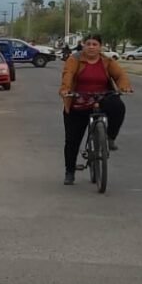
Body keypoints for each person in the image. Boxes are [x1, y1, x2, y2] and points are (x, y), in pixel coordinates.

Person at [58, 33, 132, 185]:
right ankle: (70, 171)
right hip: (78, 100)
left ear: (100, 46)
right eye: (88, 44)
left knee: (118, 106)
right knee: (72, 140)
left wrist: (124, 86)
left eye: (95, 44)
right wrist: (65, 89)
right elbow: (68, 75)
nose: (91, 47)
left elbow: (120, 75)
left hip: (102, 98)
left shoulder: (106, 61)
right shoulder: (74, 59)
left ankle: (110, 138)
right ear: (83, 45)